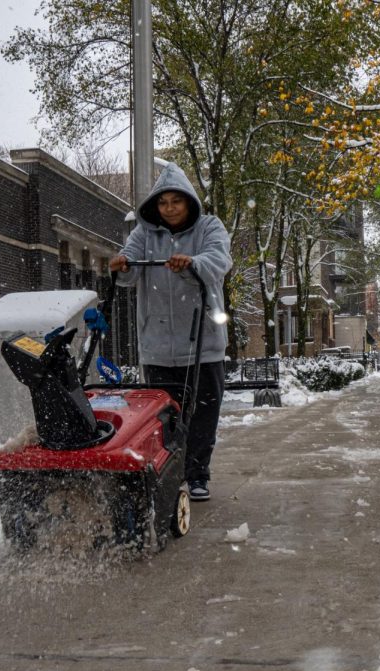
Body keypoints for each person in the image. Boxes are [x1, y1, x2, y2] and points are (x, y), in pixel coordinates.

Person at [109, 163, 231, 502]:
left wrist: (191, 264)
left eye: (177, 201)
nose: (170, 209)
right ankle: (166, 473)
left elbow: (219, 261)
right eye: (164, 203)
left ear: (189, 201)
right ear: (155, 207)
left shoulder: (209, 227)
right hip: (158, 346)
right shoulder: (144, 235)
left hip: (203, 343)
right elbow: (129, 267)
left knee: (203, 413)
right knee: (161, 419)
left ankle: (196, 474)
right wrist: (121, 265)